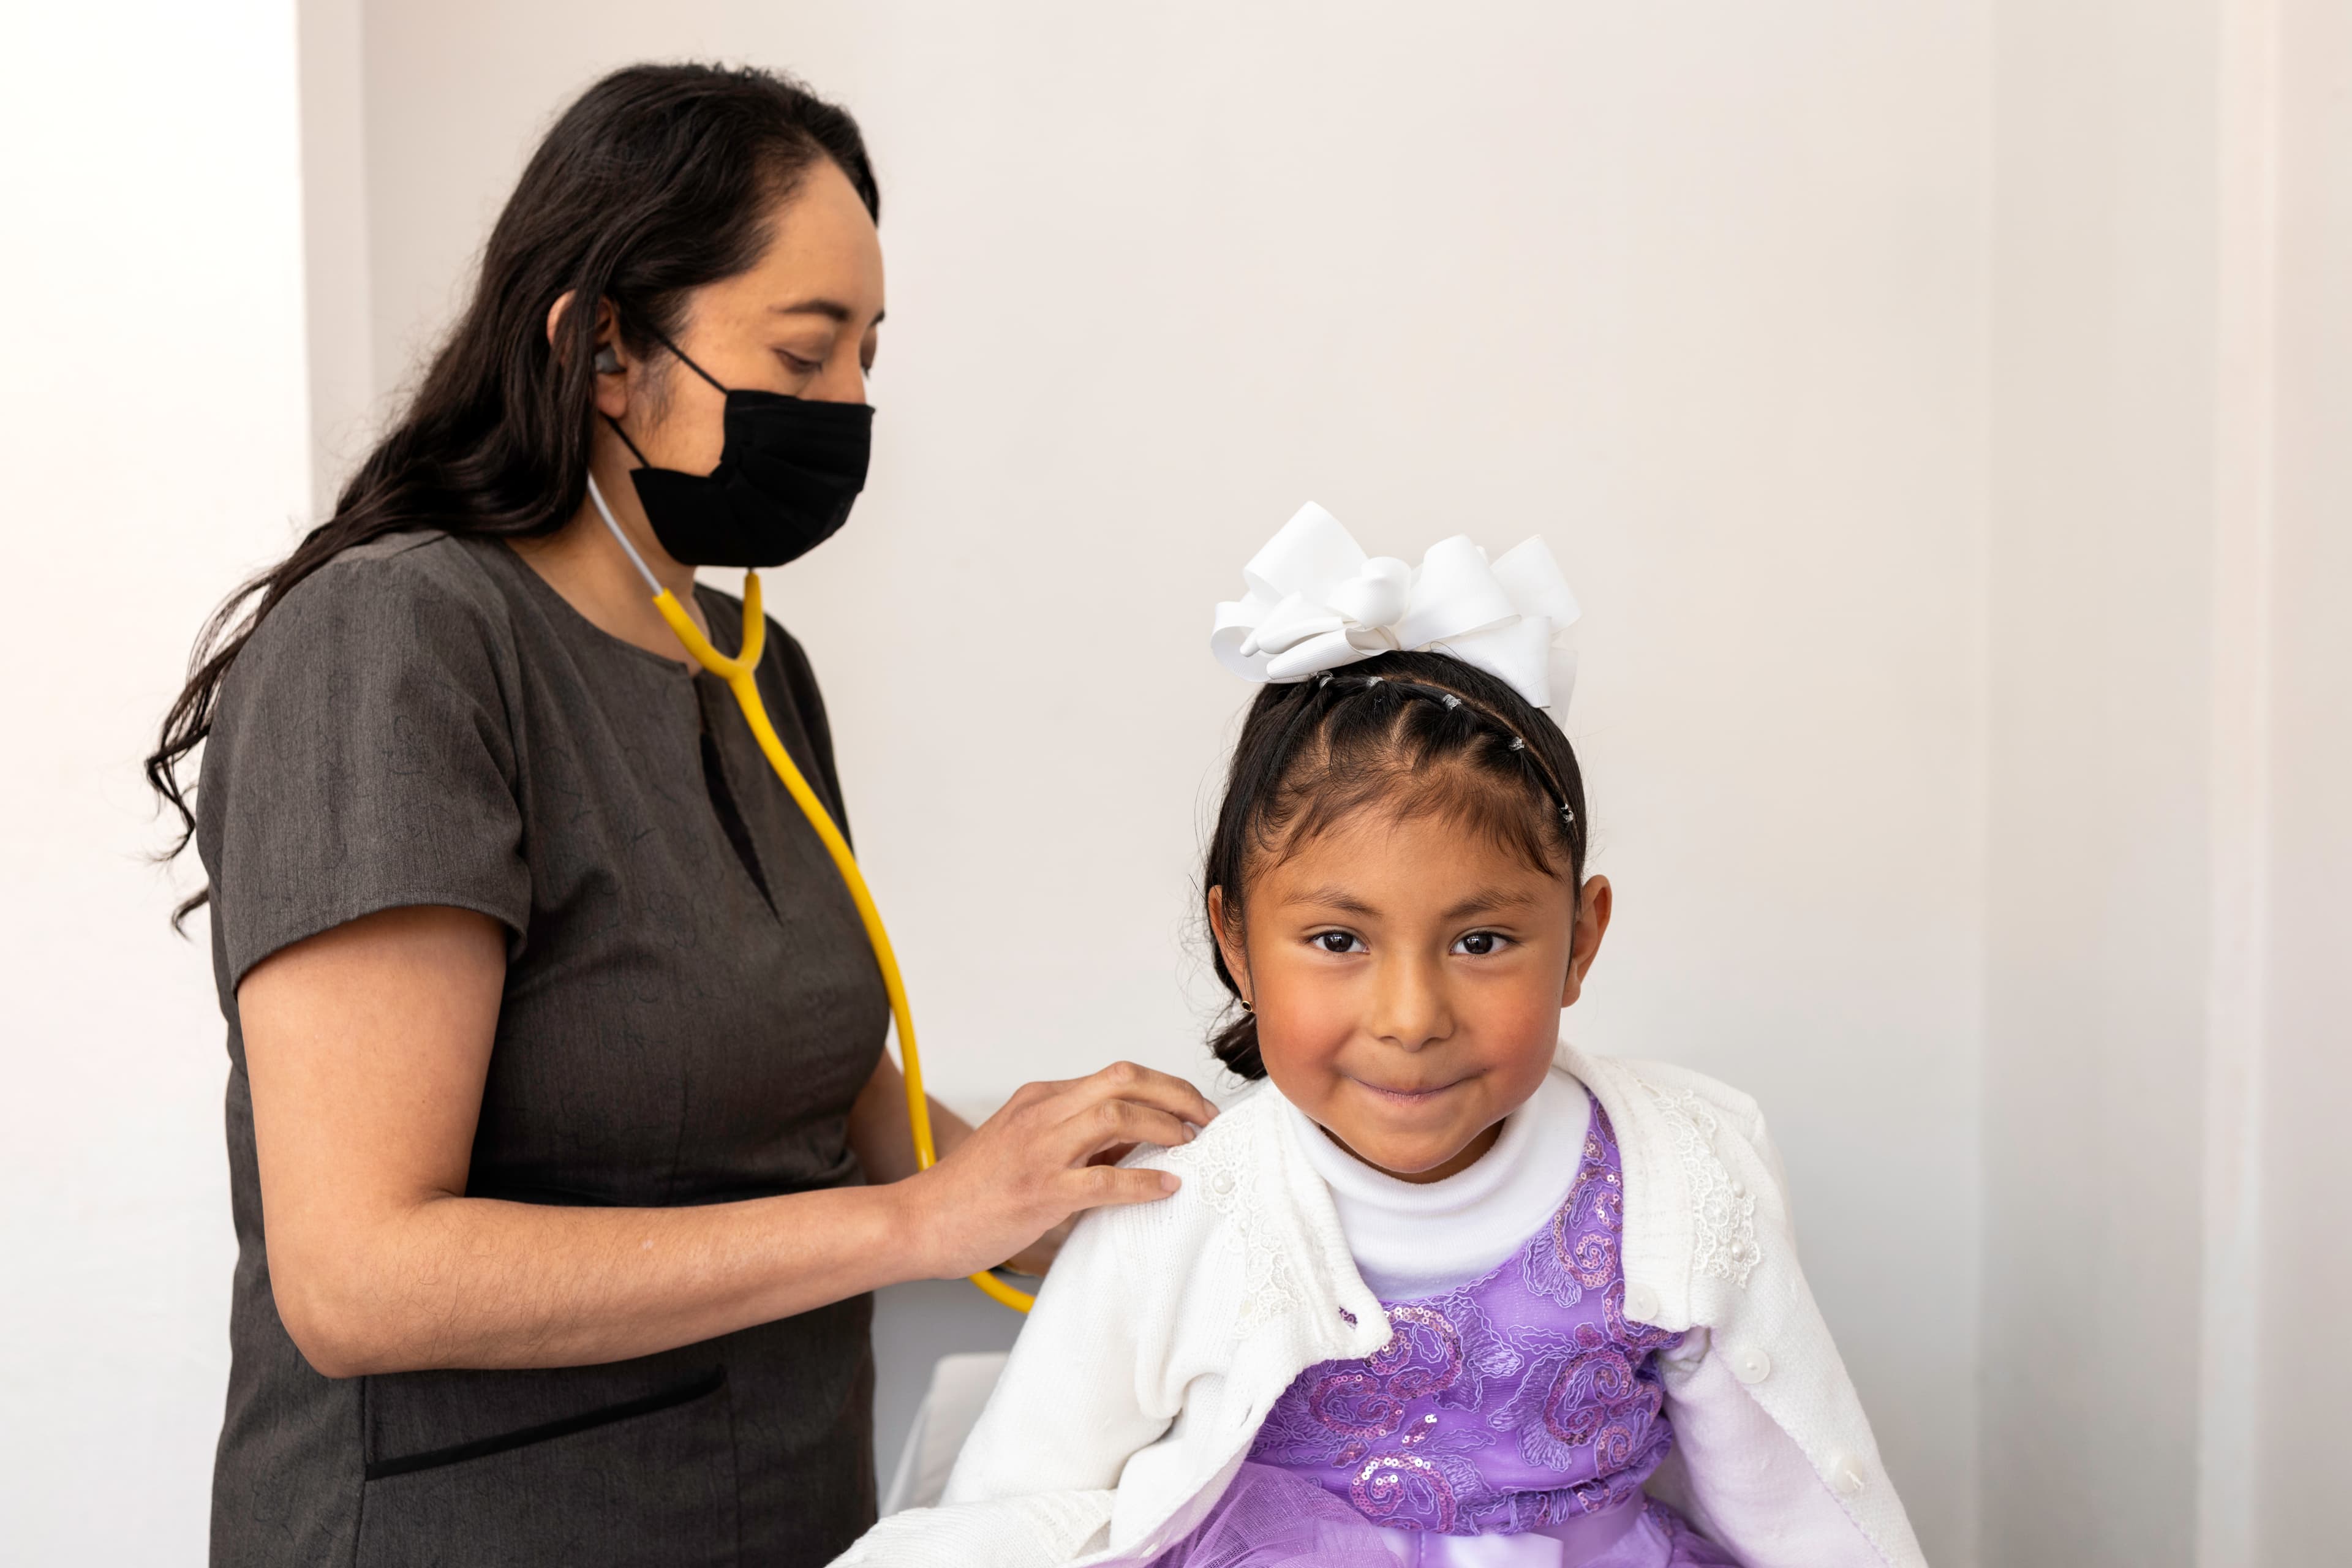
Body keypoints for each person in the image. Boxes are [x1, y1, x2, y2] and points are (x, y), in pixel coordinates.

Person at [148, 63, 1213, 1568]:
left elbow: (842, 1122)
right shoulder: (394, 644)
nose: (851, 405)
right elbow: (360, 1275)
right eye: (805, 349)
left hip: (783, 1514)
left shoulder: (763, 674)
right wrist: (922, 1228)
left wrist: (1148, 1204)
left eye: (868, 352)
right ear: (600, 350)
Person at [837, 507, 1928, 1567]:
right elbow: (1021, 1500)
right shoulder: (1189, 1206)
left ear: (1582, 940)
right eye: (1337, 940)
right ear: (1236, 941)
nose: (1411, 1020)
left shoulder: (1680, 1176)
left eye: (1484, 939)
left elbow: (1797, 1502)